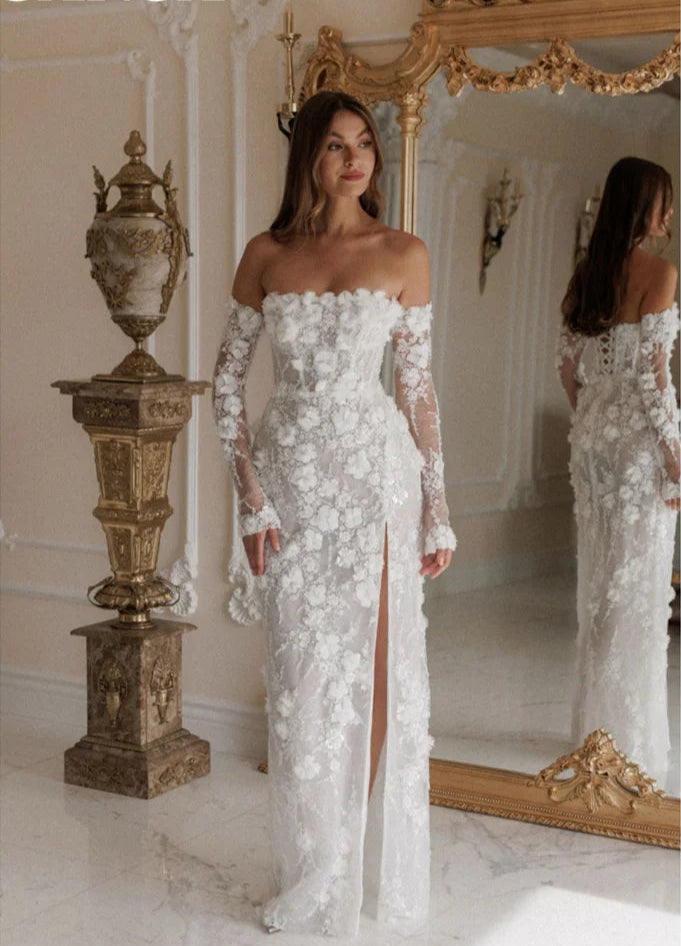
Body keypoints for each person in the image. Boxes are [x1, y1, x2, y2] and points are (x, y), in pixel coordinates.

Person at [213, 90, 456, 935]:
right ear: (307, 159)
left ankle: (356, 857)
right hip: (291, 485)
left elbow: (418, 391)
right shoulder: (266, 254)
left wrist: (436, 509)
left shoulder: (404, 254)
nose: (355, 159)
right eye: (335, 146)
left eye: (364, 145)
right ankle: (313, 866)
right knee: (303, 683)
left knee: (382, 674)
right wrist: (250, 500)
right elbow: (225, 384)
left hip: (376, 485)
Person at [557, 156, 679, 785]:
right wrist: (675, 458)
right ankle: (627, 739)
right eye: (664, 201)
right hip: (635, 450)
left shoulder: (587, 275)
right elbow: (658, 382)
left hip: (593, 447)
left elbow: (568, 372)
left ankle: (591, 727)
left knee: (600, 583)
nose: (670, 213)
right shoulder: (660, 272)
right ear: (641, 207)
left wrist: (594, 423)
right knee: (637, 588)